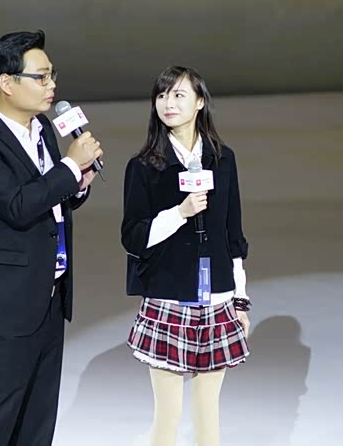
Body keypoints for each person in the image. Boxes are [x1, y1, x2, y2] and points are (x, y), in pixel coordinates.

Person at [0, 30, 103, 446]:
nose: (52, 85)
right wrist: (69, 168)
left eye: (53, 75)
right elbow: (17, 206)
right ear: (7, 82)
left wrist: (77, 184)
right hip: (2, 309)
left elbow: (47, 200)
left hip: (48, 301)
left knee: (36, 427)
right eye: (41, 77)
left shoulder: (43, 129)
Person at [121, 65, 251, 446]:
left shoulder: (223, 160)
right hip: (167, 297)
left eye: (179, 95)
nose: (168, 103)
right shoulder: (144, 166)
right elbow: (133, 237)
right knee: (168, 414)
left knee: (208, 412)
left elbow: (233, 235)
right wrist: (180, 213)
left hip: (218, 299)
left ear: (199, 103)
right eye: (162, 95)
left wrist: (240, 299)